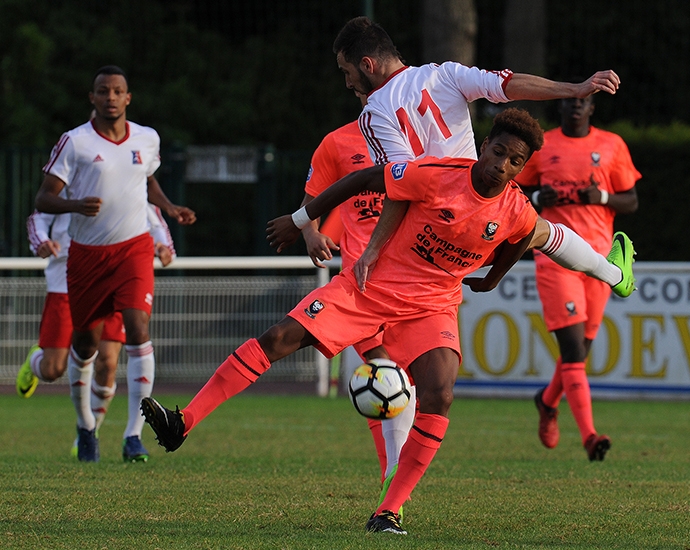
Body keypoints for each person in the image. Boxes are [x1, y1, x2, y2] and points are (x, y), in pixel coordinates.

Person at [143, 109, 556, 535]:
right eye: (498, 152)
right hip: (368, 287)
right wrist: (303, 223)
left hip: (431, 306)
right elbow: (361, 181)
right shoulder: (435, 171)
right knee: (279, 338)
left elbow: (527, 232)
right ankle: (183, 422)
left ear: (522, 168)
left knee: (440, 393)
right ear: (484, 145)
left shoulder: (515, 206)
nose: (500, 166)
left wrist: (493, 278)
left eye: (514, 162)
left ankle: (389, 511)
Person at [331, 16, 633, 301]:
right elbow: (507, 84)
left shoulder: (374, 113)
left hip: (431, 231)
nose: (347, 83)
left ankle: (383, 355)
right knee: (538, 230)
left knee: (395, 308)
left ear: (367, 65)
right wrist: (574, 89)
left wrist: (372, 249)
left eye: (347, 72)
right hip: (482, 209)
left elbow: (400, 185)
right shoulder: (445, 74)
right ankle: (612, 273)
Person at [32, 65, 196, 462]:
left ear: (128, 98)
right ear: (93, 97)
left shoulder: (147, 138)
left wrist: (169, 207)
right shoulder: (75, 142)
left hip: (133, 250)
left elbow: (147, 179)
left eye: (117, 91)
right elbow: (43, 198)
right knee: (85, 344)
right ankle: (86, 425)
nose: (110, 97)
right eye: (102, 91)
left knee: (138, 328)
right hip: (86, 256)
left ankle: (134, 436)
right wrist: (74, 205)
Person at [300, 91, 416, 516]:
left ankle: (395, 477)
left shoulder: (419, 138)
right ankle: (392, 485)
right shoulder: (336, 143)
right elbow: (314, 196)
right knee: (382, 375)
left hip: (414, 283)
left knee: (406, 384)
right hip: (360, 285)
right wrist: (311, 232)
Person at [515, 94, 641, 461]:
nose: (575, 106)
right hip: (555, 258)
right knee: (571, 351)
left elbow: (630, 200)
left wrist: (601, 196)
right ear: (561, 108)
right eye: (569, 101)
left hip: (601, 262)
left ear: (591, 109)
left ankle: (547, 399)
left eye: (582, 102)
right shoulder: (543, 145)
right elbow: (513, 191)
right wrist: (538, 194)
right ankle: (589, 435)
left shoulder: (611, 145)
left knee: (581, 351)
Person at [17, 204, 177, 462]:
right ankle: (36, 360)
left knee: (107, 362)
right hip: (65, 283)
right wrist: (42, 243)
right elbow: (39, 213)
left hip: (113, 278)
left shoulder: (128, 175)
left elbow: (152, 215)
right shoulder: (72, 175)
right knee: (52, 369)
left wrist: (164, 247)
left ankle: (90, 433)